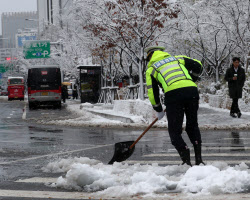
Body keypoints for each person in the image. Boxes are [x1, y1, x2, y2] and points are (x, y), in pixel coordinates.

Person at [145, 46, 204, 166]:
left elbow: (152, 92)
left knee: (175, 131)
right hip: (192, 91)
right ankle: (199, 160)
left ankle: (186, 160)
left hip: (173, 95)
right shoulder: (177, 58)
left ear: (150, 57)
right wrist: (193, 79)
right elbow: (198, 65)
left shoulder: (151, 69)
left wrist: (158, 109)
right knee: (192, 126)